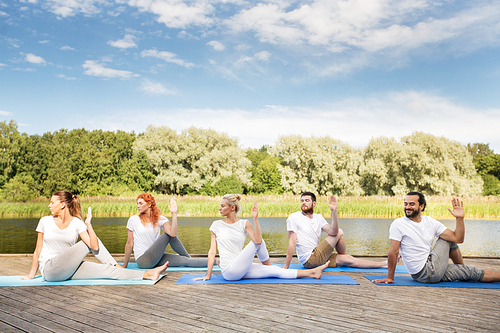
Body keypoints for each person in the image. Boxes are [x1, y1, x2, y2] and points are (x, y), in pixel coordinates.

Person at [23, 191, 167, 282]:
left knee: (107, 271)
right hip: (50, 270)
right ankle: (116, 264)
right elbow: (38, 250)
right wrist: (31, 275)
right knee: (90, 243)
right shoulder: (45, 221)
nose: (49, 205)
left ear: (62, 205)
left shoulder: (77, 223)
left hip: (69, 269)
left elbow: (95, 246)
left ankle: (148, 274)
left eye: (52, 202)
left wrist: (88, 225)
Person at [193, 194, 329, 281]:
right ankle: (268, 264)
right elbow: (212, 252)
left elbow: (257, 241)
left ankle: (312, 273)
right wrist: (208, 275)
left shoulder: (244, 224)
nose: (219, 208)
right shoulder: (216, 225)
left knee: (275, 271)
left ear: (232, 207)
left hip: (241, 266)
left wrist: (255, 219)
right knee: (259, 243)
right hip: (229, 271)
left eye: (222, 206)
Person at [374, 192, 500, 284]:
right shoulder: (399, 224)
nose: (407, 207)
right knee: (446, 239)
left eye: (412, 204)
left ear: (421, 206)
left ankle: (462, 271)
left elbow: (458, 238)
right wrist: (390, 277)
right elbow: (393, 251)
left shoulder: (430, 222)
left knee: (472, 272)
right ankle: (461, 268)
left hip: (431, 268)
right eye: (406, 204)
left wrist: (459, 218)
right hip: (425, 272)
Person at [283, 192, 387, 270]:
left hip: (318, 256)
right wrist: (286, 265)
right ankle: (342, 254)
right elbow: (292, 242)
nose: (303, 203)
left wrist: (334, 212)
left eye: (307, 200)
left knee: (349, 260)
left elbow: (332, 231)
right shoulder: (294, 217)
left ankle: (384, 264)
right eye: (302, 201)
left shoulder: (318, 218)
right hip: (310, 258)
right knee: (340, 232)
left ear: (314, 203)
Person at [120, 193, 210, 269]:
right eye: (137, 203)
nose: (138, 206)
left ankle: (216, 261)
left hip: (156, 257)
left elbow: (173, 234)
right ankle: (187, 255)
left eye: (140, 203)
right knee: (167, 235)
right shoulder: (133, 219)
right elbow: (129, 244)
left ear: (149, 204)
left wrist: (174, 213)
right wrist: (125, 264)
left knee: (186, 261)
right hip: (143, 261)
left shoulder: (160, 219)